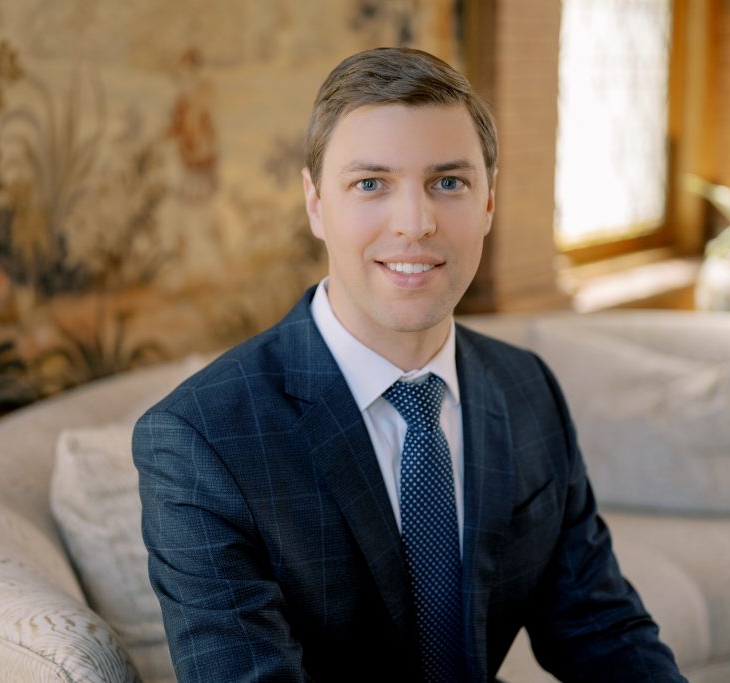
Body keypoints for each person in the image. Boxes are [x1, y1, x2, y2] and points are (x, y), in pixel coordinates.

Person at [133, 47, 684, 682]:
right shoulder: (200, 439)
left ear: (488, 202)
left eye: (448, 182)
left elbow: (601, 629)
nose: (415, 223)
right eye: (371, 184)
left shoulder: (527, 388)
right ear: (315, 203)